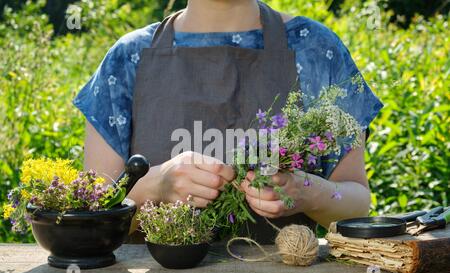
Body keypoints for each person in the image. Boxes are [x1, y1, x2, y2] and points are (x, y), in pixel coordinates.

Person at [73, 0, 383, 243]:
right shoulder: (127, 59)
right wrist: (152, 188)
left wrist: (308, 192)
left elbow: (356, 204)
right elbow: (87, 223)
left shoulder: (316, 51)